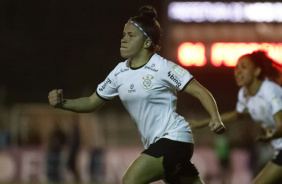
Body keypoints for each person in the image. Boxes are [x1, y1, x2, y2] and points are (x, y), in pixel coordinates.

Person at [48, 5, 225, 184]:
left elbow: (200, 91)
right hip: (161, 144)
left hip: (174, 139)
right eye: (124, 35)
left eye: (131, 35)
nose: (124, 40)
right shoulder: (119, 72)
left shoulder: (163, 67)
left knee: (130, 181)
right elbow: (91, 102)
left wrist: (215, 118)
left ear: (147, 42)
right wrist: (63, 103)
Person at [191, 50, 282, 184]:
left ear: (257, 71)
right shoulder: (245, 94)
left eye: (244, 67)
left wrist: (271, 136)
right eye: (237, 68)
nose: (238, 72)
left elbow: (280, 123)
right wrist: (201, 123)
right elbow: (237, 115)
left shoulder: (269, 91)